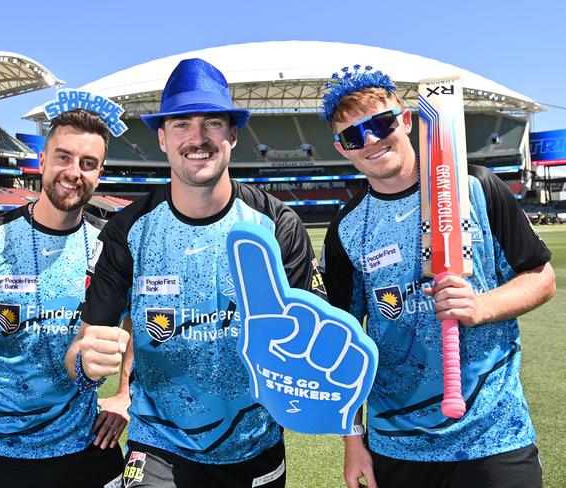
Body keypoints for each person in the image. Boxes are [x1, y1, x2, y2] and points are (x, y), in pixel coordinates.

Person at [64, 58, 326, 488]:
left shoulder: (276, 224)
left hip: (254, 448)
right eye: (182, 124)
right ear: (163, 139)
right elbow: (82, 352)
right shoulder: (127, 230)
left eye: (213, 124)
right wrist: (87, 364)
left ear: (233, 135)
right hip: (158, 447)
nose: (198, 138)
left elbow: (308, 341)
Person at [318, 65, 556, 488]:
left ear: (406, 120)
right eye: (354, 136)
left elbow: (540, 277)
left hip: (493, 437)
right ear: (342, 149)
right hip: (397, 444)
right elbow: (345, 341)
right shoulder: (346, 228)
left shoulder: (477, 188)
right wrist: (354, 441)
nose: (370, 140)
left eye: (380, 123)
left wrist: (482, 306)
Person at [0, 109, 129, 488]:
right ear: (42, 161)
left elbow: (138, 317)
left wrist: (124, 395)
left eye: (89, 163)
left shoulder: (110, 248)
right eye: (63, 157)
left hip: (84, 446)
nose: (74, 171)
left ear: (99, 174)